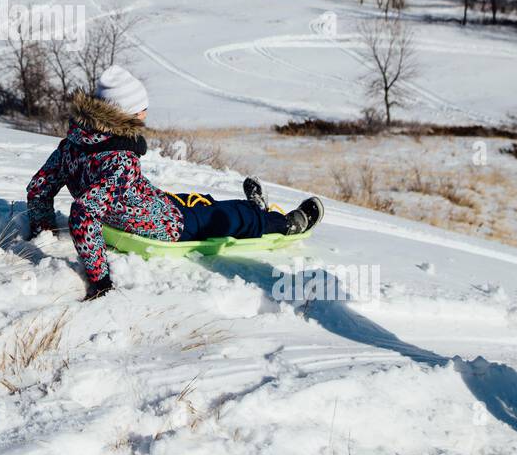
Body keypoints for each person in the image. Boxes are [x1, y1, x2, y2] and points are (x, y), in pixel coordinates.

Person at [26, 65, 324, 300]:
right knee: (230, 217)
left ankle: (252, 210)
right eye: (141, 108)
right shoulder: (120, 161)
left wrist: (43, 228)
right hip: (165, 227)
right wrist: (100, 280)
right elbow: (83, 214)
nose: (145, 112)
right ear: (124, 113)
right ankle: (283, 222)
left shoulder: (73, 144)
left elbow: (39, 188)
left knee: (199, 201)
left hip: (148, 203)